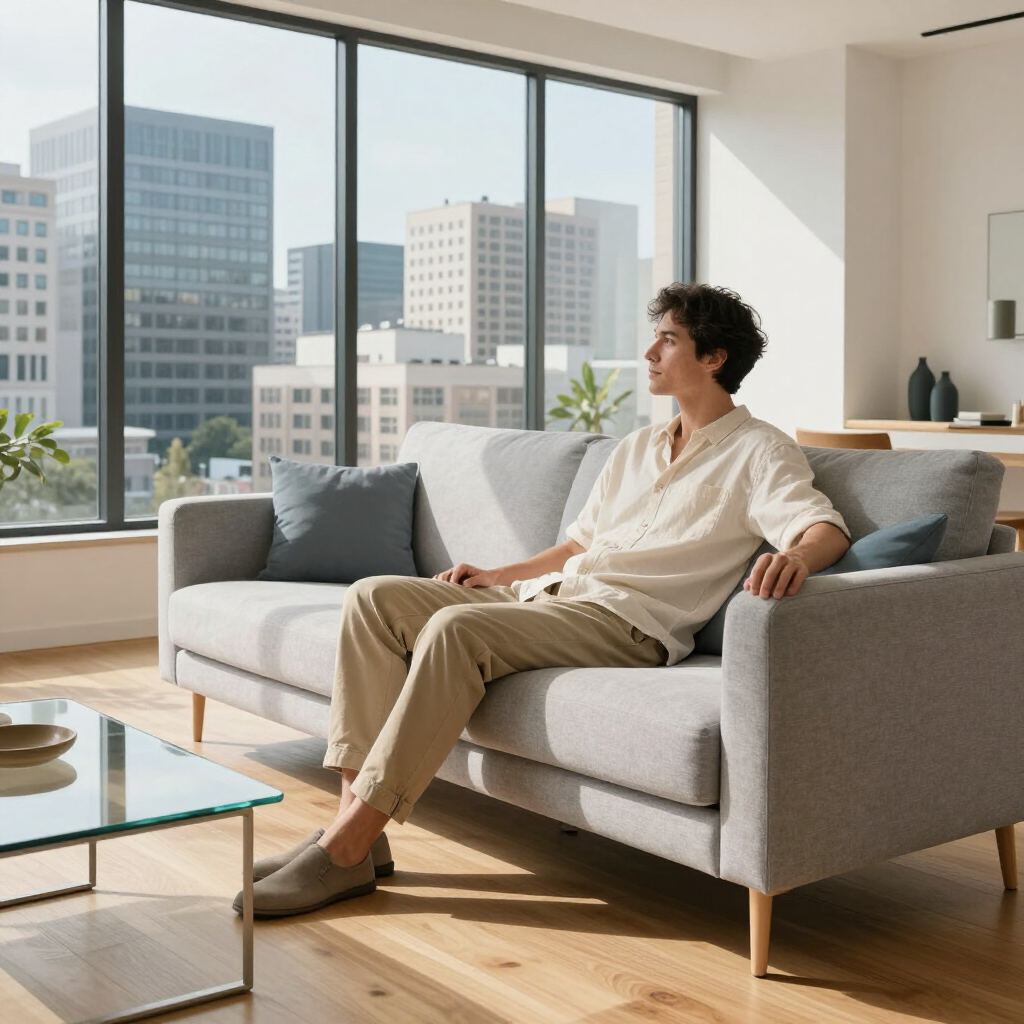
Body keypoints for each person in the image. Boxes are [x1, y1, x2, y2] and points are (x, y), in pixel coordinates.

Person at [234, 282, 850, 918]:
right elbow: (576, 544)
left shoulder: (759, 449)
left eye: (668, 340)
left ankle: (342, 850)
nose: (650, 352)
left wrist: (796, 557)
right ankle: (359, 839)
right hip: (553, 599)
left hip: (629, 623)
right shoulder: (636, 447)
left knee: (454, 632)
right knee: (373, 599)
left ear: (714, 358)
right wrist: (497, 576)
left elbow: (822, 527)